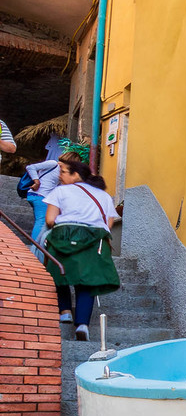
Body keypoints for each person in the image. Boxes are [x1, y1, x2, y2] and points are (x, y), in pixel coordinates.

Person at [44, 145, 119, 341]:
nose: (60, 175)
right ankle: (83, 324)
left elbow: (50, 220)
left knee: (59, 273)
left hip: (63, 234)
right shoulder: (103, 196)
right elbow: (108, 224)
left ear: (75, 174)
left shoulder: (61, 191)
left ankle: (65, 312)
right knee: (87, 281)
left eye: (63, 172)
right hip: (94, 239)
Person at [17, 131, 60, 247]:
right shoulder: (54, 163)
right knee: (41, 221)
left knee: (40, 220)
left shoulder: (64, 173)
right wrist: (36, 181)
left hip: (39, 196)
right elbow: (30, 167)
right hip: (39, 195)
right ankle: (35, 246)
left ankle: (37, 244)